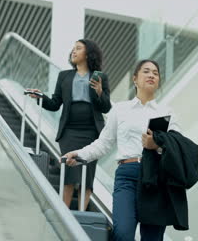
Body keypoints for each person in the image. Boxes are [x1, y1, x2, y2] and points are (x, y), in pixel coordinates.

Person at [63, 60, 182, 241]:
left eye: (155, 73)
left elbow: (177, 146)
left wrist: (156, 145)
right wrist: (80, 154)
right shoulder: (120, 109)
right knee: (123, 234)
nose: (151, 75)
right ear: (135, 79)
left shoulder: (167, 112)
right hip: (127, 175)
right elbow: (104, 142)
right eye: (146, 71)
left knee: (152, 238)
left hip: (156, 177)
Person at [27, 39, 111, 209]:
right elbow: (55, 103)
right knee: (70, 172)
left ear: (88, 54)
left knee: (87, 175)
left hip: (92, 132)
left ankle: (81, 214)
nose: (73, 51)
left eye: (78, 48)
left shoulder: (100, 77)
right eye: (73, 48)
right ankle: (65, 213)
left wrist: (100, 92)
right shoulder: (64, 76)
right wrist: (41, 97)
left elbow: (106, 107)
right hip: (69, 131)